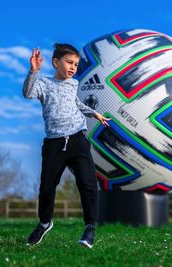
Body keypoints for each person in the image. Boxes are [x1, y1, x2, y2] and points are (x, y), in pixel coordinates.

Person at [22, 44, 109, 249]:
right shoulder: (43, 84)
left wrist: (94, 113)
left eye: (76, 64)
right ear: (55, 62)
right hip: (54, 144)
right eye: (69, 62)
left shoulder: (73, 84)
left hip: (78, 140)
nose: (73, 67)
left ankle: (90, 227)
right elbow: (27, 93)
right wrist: (34, 71)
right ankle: (44, 223)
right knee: (46, 189)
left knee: (88, 183)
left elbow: (76, 104)